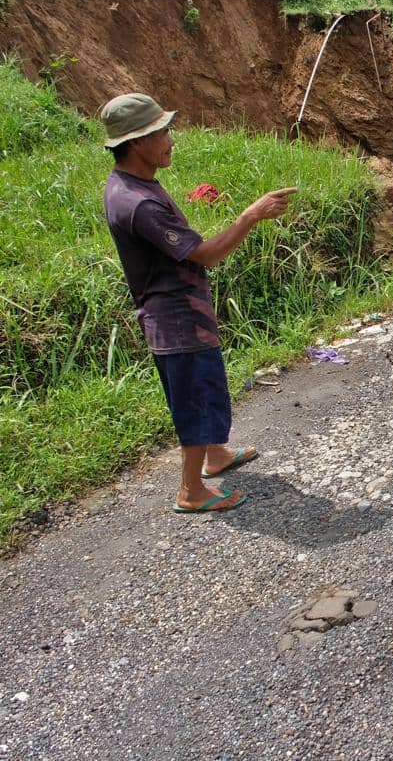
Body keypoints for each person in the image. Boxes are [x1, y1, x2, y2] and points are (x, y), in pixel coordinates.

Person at [100, 93, 297, 513]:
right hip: (176, 318)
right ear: (136, 142)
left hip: (181, 309)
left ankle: (216, 456)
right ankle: (191, 491)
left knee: (205, 387)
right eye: (163, 132)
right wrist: (250, 216)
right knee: (195, 395)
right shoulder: (139, 204)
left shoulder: (132, 184)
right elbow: (205, 254)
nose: (172, 139)